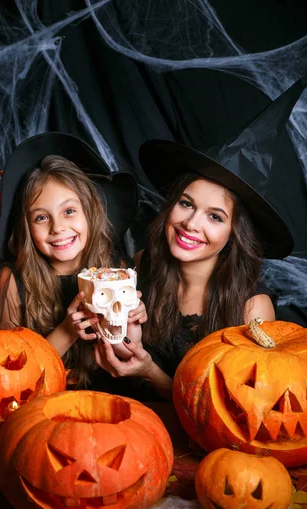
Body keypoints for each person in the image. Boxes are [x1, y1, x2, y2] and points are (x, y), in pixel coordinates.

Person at [93, 78, 306, 402]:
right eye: (186, 203)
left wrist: (149, 371)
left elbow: (239, 414)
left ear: (235, 233)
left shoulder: (252, 308)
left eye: (215, 216)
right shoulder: (140, 267)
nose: (191, 223)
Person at [0, 131, 145, 390]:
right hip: (43, 406)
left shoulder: (116, 271)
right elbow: (9, 377)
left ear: (90, 213)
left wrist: (128, 327)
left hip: (109, 403)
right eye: (41, 217)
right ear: (27, 228)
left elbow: (127, 365)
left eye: (69, 211)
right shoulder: (12, 281)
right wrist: (66, 332)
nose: (58, 227)